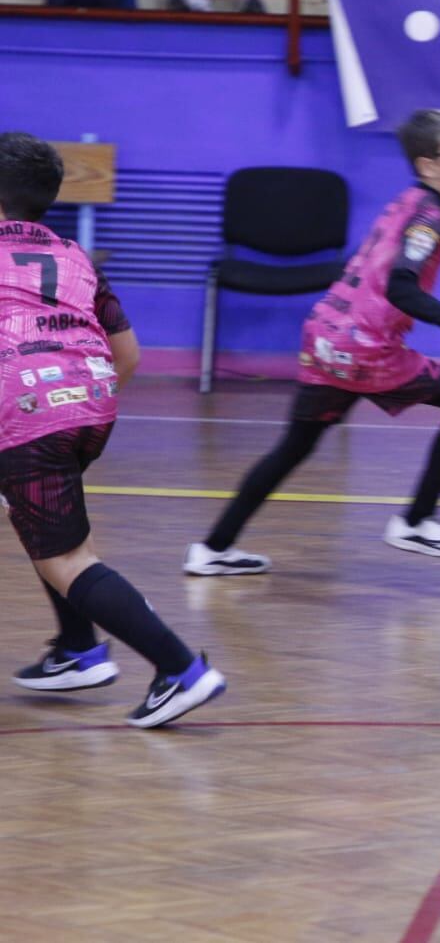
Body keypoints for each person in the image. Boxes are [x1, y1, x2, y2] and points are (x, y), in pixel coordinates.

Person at [184, 109, 440, 575]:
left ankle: (213, 549)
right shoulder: (429, 217)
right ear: (429, 165)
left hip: (326, 334)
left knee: (295, 446)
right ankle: (417, 520)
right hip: (365, 349)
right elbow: (400, 286)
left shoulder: (409, 200)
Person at [0, 132, 225, 728]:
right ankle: (77, 649)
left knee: (67, 557)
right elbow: (128, 355)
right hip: (90, 398)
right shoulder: (74, 257)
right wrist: (69, 401)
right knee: (44, 516)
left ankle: (180, 669)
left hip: (26, 405)